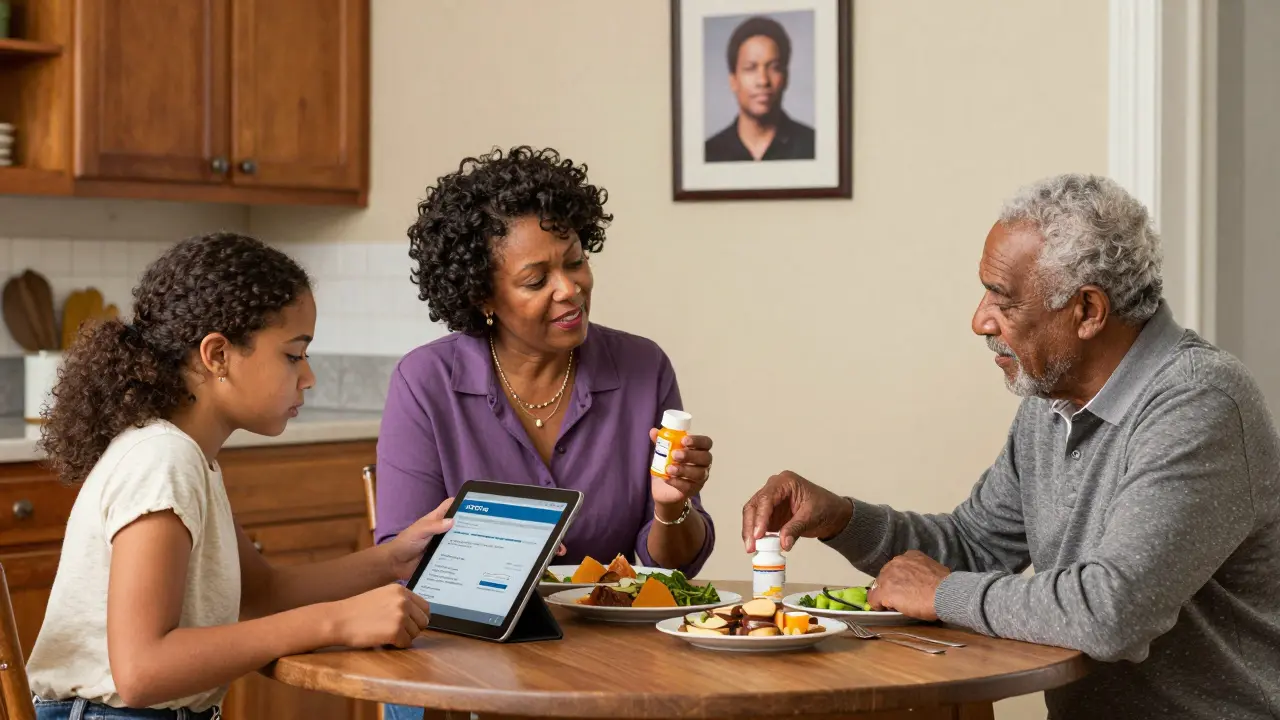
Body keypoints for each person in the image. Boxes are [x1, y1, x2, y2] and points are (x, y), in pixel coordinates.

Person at [741, 174, 1280, 719]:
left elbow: (1113, 611)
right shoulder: (1052, 401)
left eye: (1003, 299)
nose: (979, 321)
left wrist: (944, 593)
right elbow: (973, 548)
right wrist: (842, 519)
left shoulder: (1199, 402)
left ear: (1088, 311)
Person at [26, 233, 455, 720]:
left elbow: (261, 595)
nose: (308, 376)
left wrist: (393, 561)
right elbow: (142, 671)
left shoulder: (192, 458)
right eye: (293, 355)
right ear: (217, 355)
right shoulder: (163, 459)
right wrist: (335, 622)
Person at [376, 146, 717, 720]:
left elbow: (670, 574)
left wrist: (671, 510)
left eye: (576, 261)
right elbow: (399, 560)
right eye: (536, 279)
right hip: (456, 664)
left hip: (611, 664)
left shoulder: (642, 367)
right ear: (483, 297)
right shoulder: (426, 381)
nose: (570, 288)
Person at [705, 15, 815, 163]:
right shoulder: (710, 153)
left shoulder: (812, 146)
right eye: (750, 68)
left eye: (774, 68)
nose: (763, 81)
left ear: (786, 77)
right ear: (733, 81)